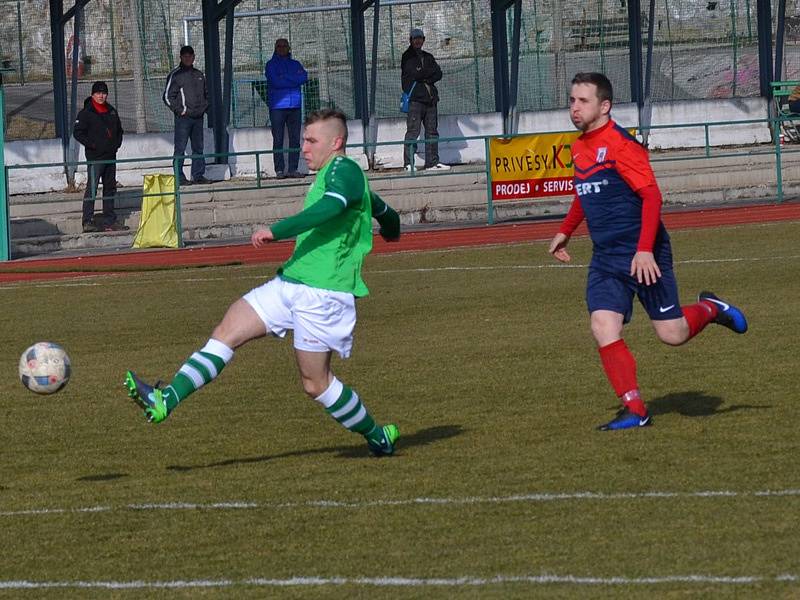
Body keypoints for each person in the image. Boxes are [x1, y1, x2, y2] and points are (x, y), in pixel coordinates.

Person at [124, 108, 402, 456]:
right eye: (304, 139)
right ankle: (166, 398)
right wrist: (392, 227)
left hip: (322, 295)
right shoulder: (337, 176)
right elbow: (383, 210)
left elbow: (331, 208)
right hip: (292, 282)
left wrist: (277, 230)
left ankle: (377, 435)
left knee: (315, 384)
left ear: (337, 142)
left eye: (311, 140)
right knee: (227, 328)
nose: (304, 147)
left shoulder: (345, 171)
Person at [548, 72, 748, 431]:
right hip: (607, 258)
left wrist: (643, 251)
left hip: (646, 252)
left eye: (583, 101)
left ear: (604, 106)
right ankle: (636, 410)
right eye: (572, 100)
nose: (574, 107)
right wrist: (565, 231)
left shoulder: (622, 144)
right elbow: (586, 192)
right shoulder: (579, 147)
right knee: (602, 325)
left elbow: (652, 196)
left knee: (673, 334)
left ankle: (711, 308)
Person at [73, 81, 128, 233]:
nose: (101, 96)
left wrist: (116, 144)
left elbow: (119, 130)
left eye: (103, 93)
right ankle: (87, 221)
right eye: (98, 93)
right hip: (95, 157)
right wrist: (92, 145)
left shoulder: (111, 111)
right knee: (92, 188)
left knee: (110, 188)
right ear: (92, 95)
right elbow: (78, 133)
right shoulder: (85, 113)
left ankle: (109, 220)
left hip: (110, 156)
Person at [401, 28, 449, 172]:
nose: (417, 40)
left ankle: (432, 163)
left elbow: (438, 73)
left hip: (431, 100)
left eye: (420, 38)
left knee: (432, 132)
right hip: (415, 100)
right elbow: (415, 74)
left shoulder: (428, 56)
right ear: (410, 40)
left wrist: (423, 74)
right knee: (413, 132)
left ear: (423, 39)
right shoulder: (407, 56)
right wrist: (427, 73)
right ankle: (408, 164)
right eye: (415, 38)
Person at [163, 45, 211, 185]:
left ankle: (198, 175)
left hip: (198, 118)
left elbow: (206, 94)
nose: (188, 58)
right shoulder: (176, 75)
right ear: (181, 57)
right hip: (183, 119)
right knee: (180, 148)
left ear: (194, 57)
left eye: (190, 55)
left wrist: (203, 108)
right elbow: (167, 97)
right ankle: (179, 177)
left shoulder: (199, 74)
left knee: (198, 148)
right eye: (185, 56)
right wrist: (181, 110)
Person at [265, 38, 308, 179]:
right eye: (279, 46)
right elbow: (275, 82)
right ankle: (279, 170)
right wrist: (293, 78)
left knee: (295, 139)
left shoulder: (295, 63)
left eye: (284, 46)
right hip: (277, 106)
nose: (282, 48)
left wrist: (285, 77)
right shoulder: (270, 65)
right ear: (275, 48)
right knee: (278, 139)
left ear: (289, 48)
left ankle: (293, 169)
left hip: (295, 105)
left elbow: (304, 77)